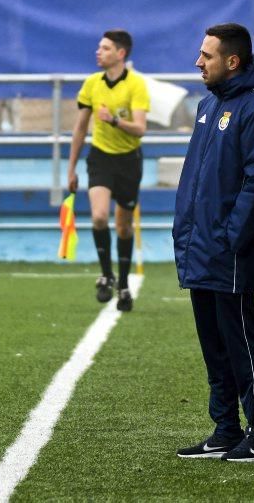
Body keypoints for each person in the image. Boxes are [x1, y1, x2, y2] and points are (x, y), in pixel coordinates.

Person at [173, 23, 254, 462]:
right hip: (199, 246)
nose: (198, 62)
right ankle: (224, 429)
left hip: (229, 250)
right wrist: (186, 230)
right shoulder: (207, 105)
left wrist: (233, 236)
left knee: (239, 341)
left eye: (207, 55)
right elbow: (196, 180)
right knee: (213, 344)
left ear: (232, 61)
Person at [66, 29, 150, 312]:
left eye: (104, 48)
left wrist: (113, 120)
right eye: (99, 47)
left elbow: (140, 129)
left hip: (128, 161)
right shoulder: (91, 83)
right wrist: (71, 168)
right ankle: (106, 274)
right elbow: (79, 128)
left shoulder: (136, 85)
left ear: (120, 53)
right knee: (100, 217)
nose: (98, 52)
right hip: (100, 158)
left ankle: (124, 284)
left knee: (124, 226)